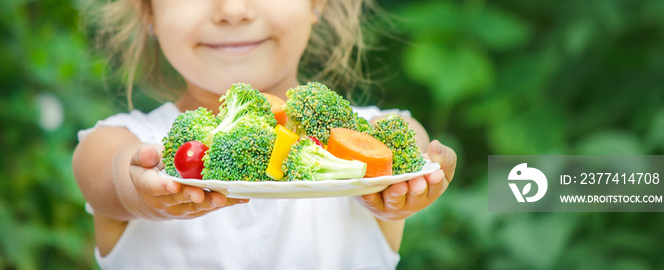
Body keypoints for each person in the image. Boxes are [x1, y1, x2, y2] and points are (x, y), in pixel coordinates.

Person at [73, 0, 457, 268]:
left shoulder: (355, 144)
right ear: (147, 10)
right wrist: (145, 195)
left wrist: (398, 185)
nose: (233, 10)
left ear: (316, 3)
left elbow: (406, 139)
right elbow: (113, 174)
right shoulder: (121, 141)